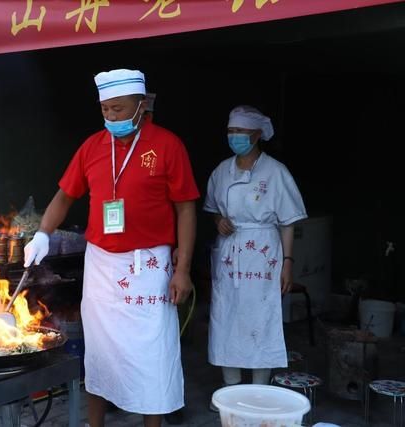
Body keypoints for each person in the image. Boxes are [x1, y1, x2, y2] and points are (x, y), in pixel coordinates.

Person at [24, 69, 200, 427]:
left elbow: (186, 207)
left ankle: (153, 424)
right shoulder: (92, 147)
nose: (111, 117)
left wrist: (182, 270)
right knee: (101, 352)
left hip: (149, 263)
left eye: (118, 109)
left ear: (141, 105)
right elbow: (64, 195)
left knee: (153, 350)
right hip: (102, 264)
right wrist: (43, 233)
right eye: (105, 110)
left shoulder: (167, 145)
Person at [203, 106, 307, 410]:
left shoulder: (276, 172)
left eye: (241, 133)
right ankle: (229, 388)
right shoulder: (222, 171)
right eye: (231, 132)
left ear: (257, 135)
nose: (234, 137)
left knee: (261, 316)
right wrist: (218, 221)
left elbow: (287, 221)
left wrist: (288, 262)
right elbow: (213, 210)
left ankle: (260, 389)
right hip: (229, 252)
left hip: (263, 252)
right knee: (226, 317)